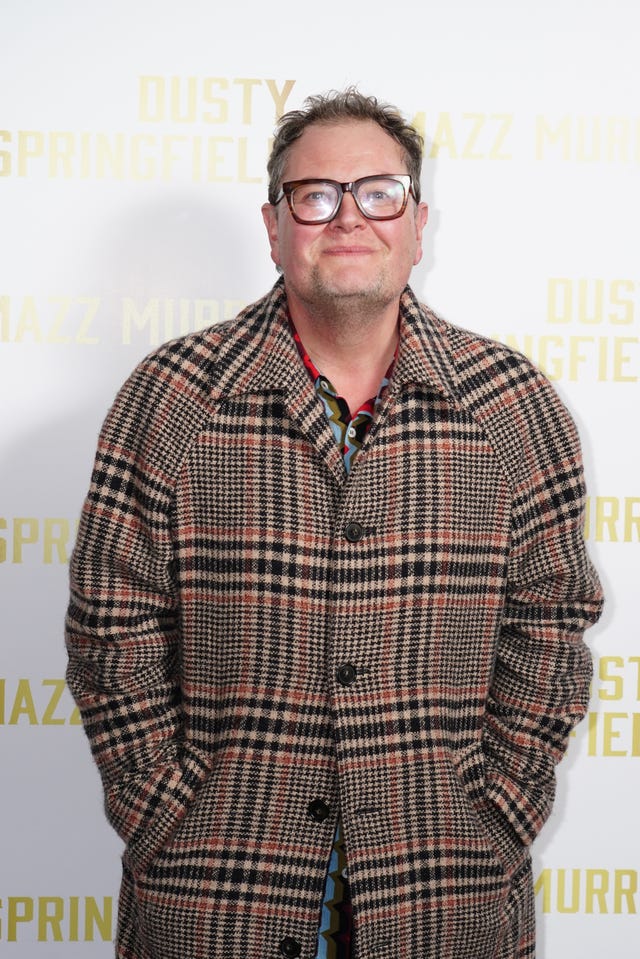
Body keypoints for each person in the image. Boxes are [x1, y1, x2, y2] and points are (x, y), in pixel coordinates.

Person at [66, 88, 604, 959]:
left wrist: (503, 807)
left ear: (419, 222)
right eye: (316, 195)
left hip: (446, 897)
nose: (348, 216)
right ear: (273, 225)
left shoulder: (512, 403)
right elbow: (108, 625)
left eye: (378, 191)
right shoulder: (170, 397)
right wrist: (158, 806)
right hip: (216, 897)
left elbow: (550, 622)